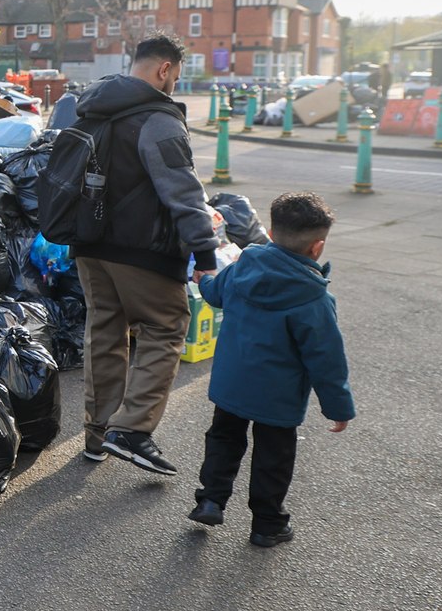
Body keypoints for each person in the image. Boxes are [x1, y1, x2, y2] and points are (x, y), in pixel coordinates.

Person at [71, 33, 220, 475]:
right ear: (164, 69)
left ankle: (98, 434)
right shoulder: (158, 117)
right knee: (166, 326)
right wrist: (205, 254)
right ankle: (132, 429)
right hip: (143, 249)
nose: (175, 83)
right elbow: (183, 190)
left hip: (88, 243)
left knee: (105, 331)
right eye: (176, 75)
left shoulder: (91, 106)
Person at [187, 192, 355, 548]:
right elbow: (327, 360)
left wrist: (204, 280)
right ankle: (267, 524)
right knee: (273, 458)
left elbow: (215, 293)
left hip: (231, 384)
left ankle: (210, 500)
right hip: (278, 397)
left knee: (223, 439)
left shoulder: (244, 266)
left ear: (272, 231)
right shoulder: (314, 299)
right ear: (317, 247)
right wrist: (338, 407)